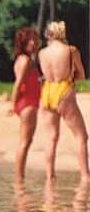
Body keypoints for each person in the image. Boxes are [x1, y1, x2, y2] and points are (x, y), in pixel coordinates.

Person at [37, 21, 89, 183]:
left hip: (47, 90)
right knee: (81, 135)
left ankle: (49, 176)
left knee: (51, 137)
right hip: (64, 89)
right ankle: (85, 176)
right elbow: (81, 75)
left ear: (48, 35)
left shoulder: (41, 53)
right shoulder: (70, 50)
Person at [8, 27, 41, 182]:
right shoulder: (25, 60)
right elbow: (18, 83)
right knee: (25, 142)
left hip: (30, 102)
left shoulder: (25, 59)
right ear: (23, 43)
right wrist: (12, 105)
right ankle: (19, 179)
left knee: (26, 141)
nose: (34, 43)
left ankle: (19, 177)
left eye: (35, 39)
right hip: (27, 103)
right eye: (30, 41)